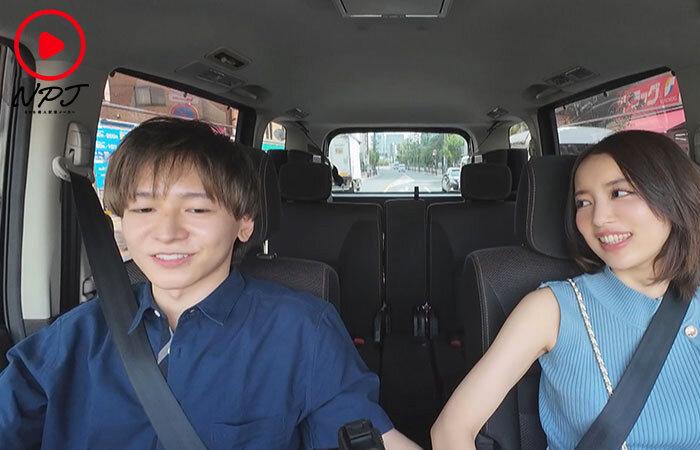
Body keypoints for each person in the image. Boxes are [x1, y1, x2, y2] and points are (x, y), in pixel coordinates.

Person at [0, 117, 421, 450]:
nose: (167, 233)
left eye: (197, 210)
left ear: (244, 223)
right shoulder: (74, 337)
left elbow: (365, 435)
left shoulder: (302, 331)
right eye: (144, 209)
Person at [431, 130, 700, 449]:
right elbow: (451, 429)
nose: (597, 219)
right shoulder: (551, 310)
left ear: (675, 198)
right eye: (583, 202)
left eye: (619, 193)